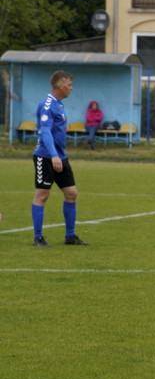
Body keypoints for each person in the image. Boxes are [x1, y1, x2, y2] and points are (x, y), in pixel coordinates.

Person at [31, 70, 88, 247]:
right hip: (45, 156)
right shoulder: (48, 104)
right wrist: (54, 155)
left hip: (59, 156)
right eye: (69, 85)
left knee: (71, 193)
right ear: (59, 86)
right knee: (43, 194)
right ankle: (38, 237)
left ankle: (70, 236)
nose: (71, 89)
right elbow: (45, 130)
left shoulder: (59, 104)